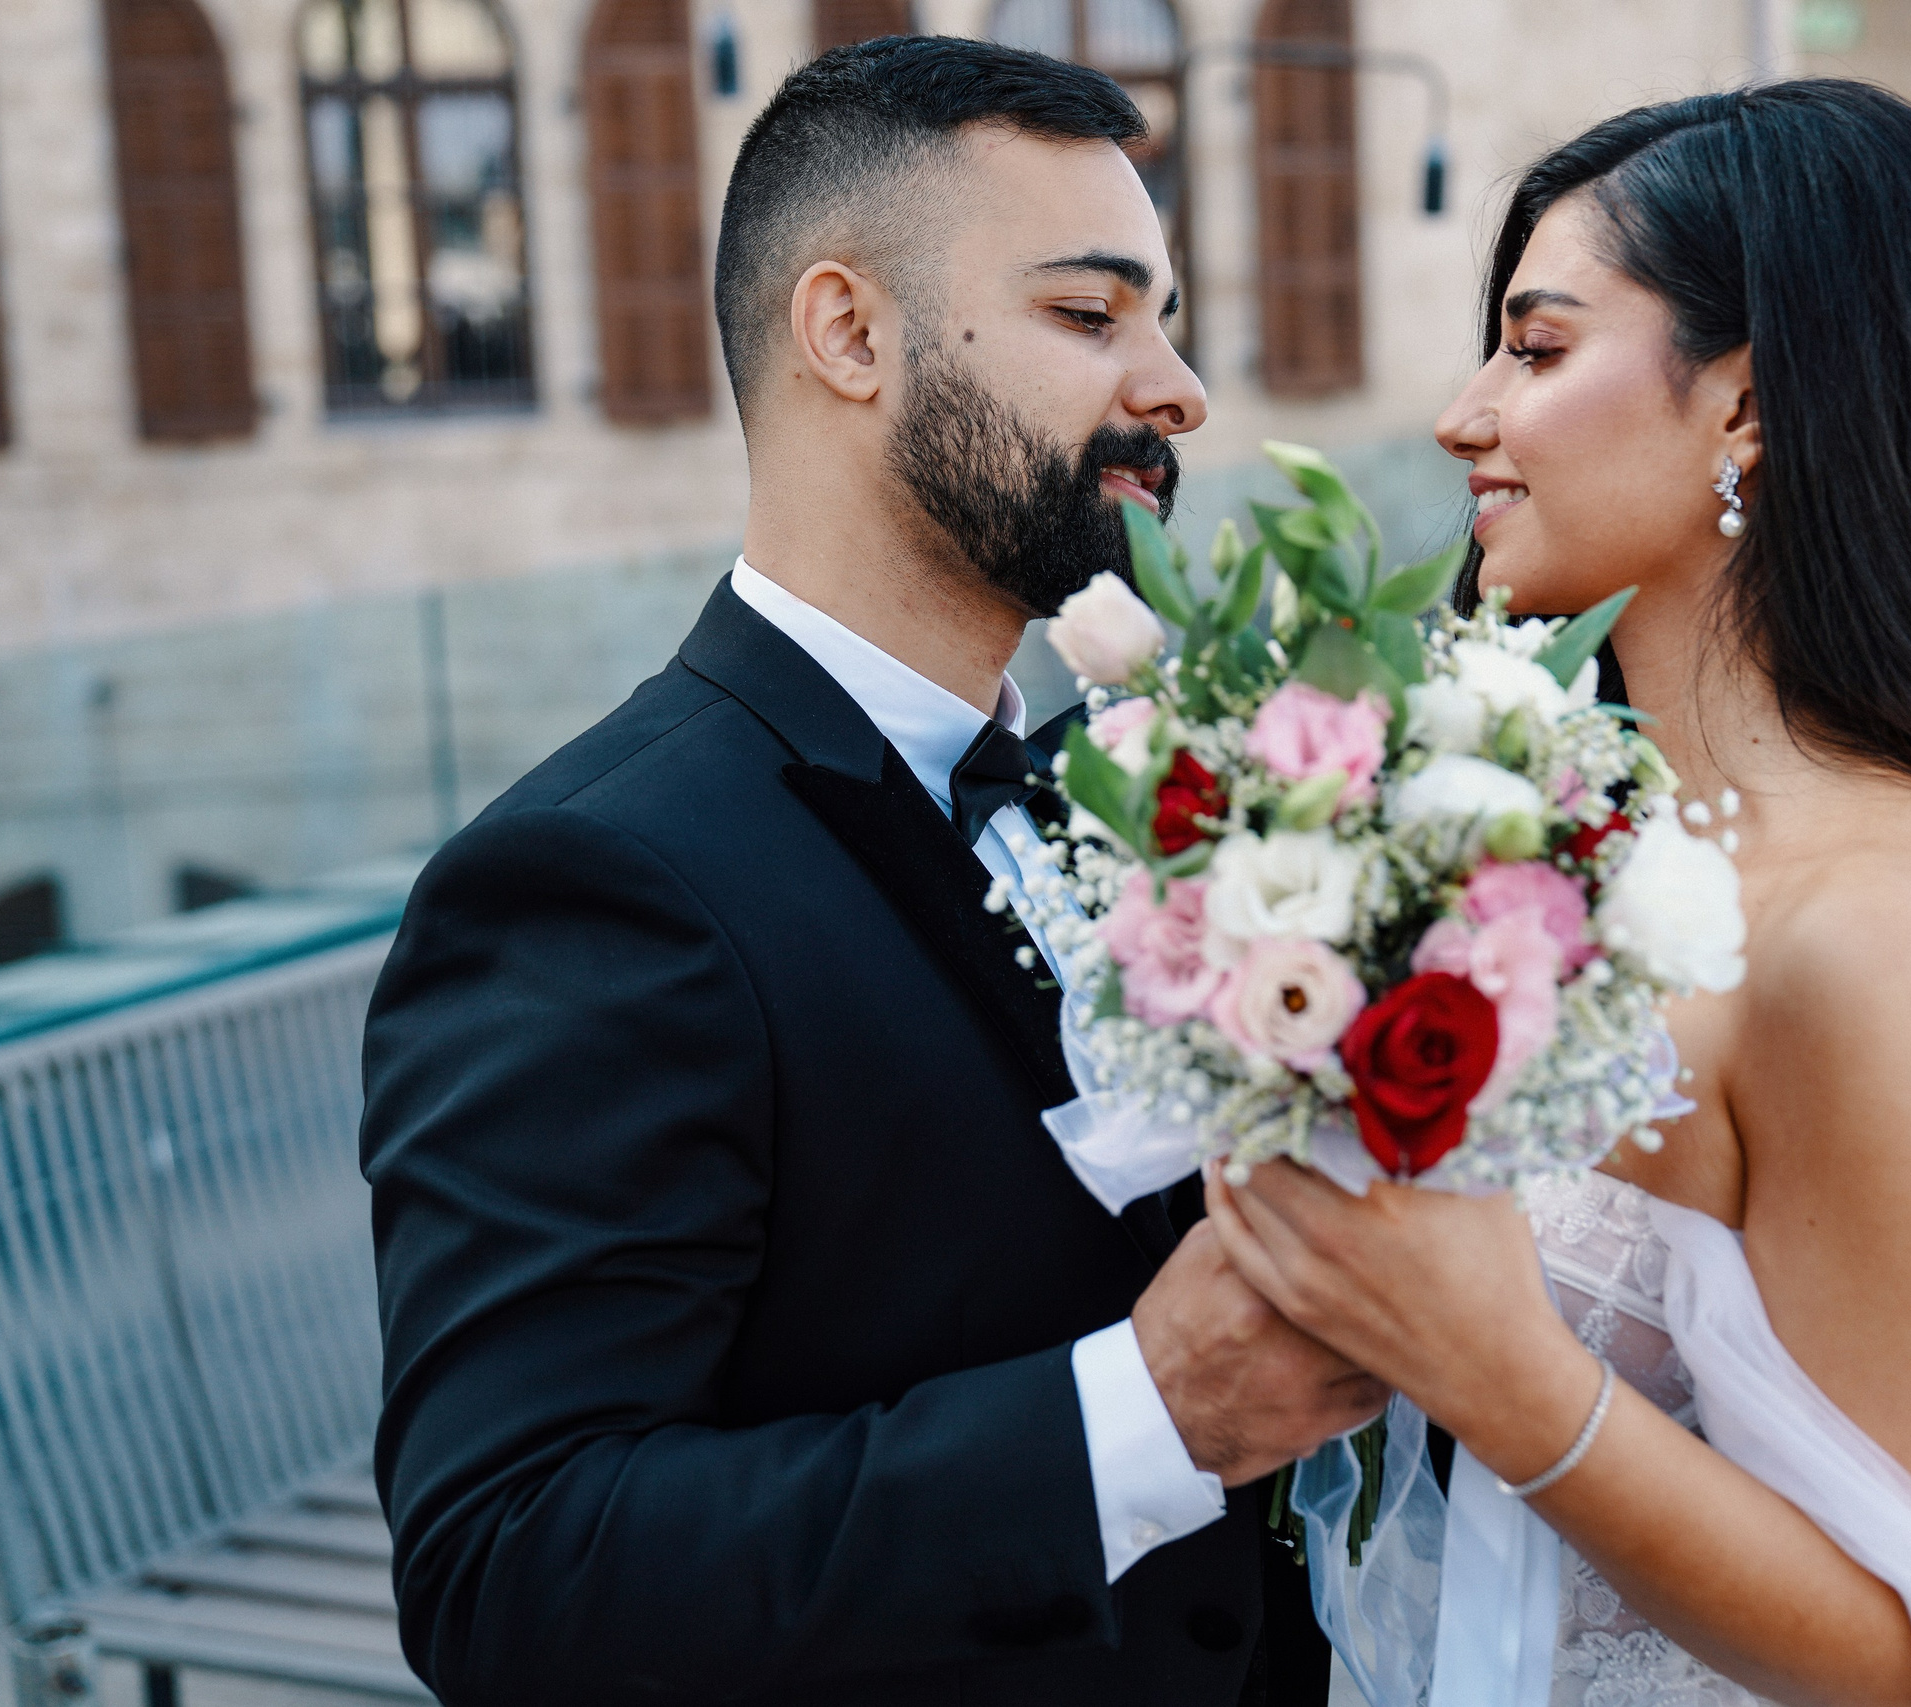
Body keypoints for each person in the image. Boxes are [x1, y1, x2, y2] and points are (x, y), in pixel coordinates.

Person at [359, 37, 1377, 1707]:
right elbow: (511, 1573)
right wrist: (1145, 1417)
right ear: (848, 333)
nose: (1178, 387)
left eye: (1168, 319)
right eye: (1090, 315)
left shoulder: (1101, 786)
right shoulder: (590, 882)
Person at [1202, 83, 1911, 1707]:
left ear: (1749, 407)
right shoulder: (1548, 863)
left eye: (1538, 348)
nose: (1464, 415)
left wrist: (1503, 1378)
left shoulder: (1893, 929)